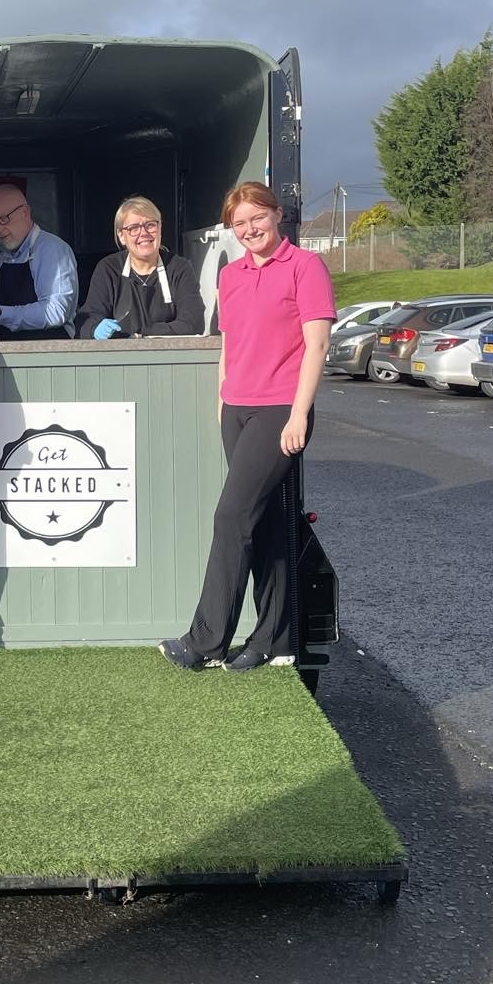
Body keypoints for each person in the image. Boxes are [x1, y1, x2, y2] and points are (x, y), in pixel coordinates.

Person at [160, 182, 334, 674]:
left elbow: (316, 346)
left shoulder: (306, 267)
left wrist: (300, 413)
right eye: (239, 223)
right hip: (237, 409)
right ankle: (275, 641)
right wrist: (222, 401)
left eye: (257, 217)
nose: (250, 229)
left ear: (277, 215)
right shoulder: (231, 276)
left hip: (281, 410)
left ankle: (206, 642)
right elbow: (229, 344)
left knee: (230, 517)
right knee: (267, 524)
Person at [0, 183, 78, 338]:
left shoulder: (51, 249)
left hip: (48, 353)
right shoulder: (5, 258)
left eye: (3, 219)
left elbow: (56, 312)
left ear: (25, 213)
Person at [76, 196, 206, 339]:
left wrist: (142, 333)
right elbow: (85, 320)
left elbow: (194, 322)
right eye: (134, 228)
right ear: (121, 236)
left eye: (150, 225)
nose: (143, 233)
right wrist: (94, 328)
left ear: (160, 228)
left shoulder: (179, 268)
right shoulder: (108, 269)